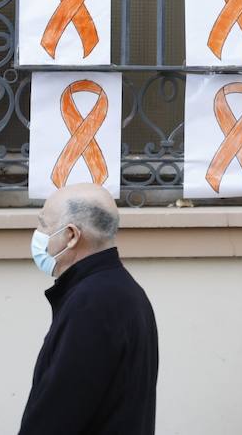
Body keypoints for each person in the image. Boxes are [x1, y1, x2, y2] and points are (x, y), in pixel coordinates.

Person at [18, 184, 159, 435]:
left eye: (44, 224)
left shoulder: (92, 303)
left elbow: (59, 413)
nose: (38, 233)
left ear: (71, 235)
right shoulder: (120, 290)